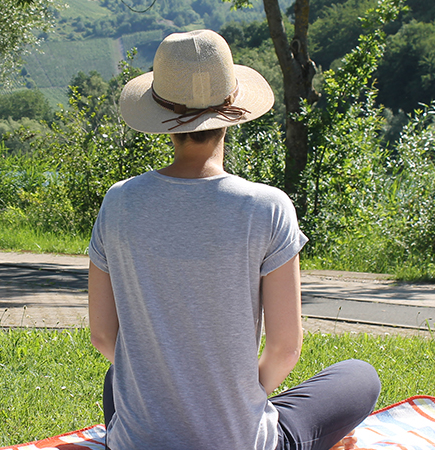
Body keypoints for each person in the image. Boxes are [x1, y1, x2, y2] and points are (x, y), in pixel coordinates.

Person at [87, 29, 381, 450]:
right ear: (232, 111)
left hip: (138, 441)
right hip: (238, 440)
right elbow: (284, 349)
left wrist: (169, 385)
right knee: (359, 375)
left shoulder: (119, 202)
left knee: (121, 374)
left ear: (161, 116)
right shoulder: (267, 207)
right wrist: (231, 401)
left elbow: (102, 336)